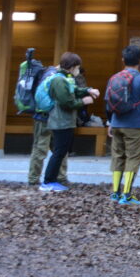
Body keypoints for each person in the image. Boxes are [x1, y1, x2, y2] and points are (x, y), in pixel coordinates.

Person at [107, 44, 140, 205]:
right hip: (135, 126)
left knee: (118, 156)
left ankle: (115, 193)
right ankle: (127, 194)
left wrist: (109, 121)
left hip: (116, 124)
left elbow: (107, 103)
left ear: (123, 60)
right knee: (133, 157)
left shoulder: (114, 78)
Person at [40, 52, 98, 192]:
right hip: (60, 122)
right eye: (77, 66)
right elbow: (66, 102)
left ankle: (51, 180)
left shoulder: (65, 78)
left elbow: (74, 90)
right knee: (59, 151)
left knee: (61, 151)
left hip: (64, 121)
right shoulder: (59, 80)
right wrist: (83, 101)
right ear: (72, 66)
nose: (78, 69)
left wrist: (87, 90)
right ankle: (48, 181)